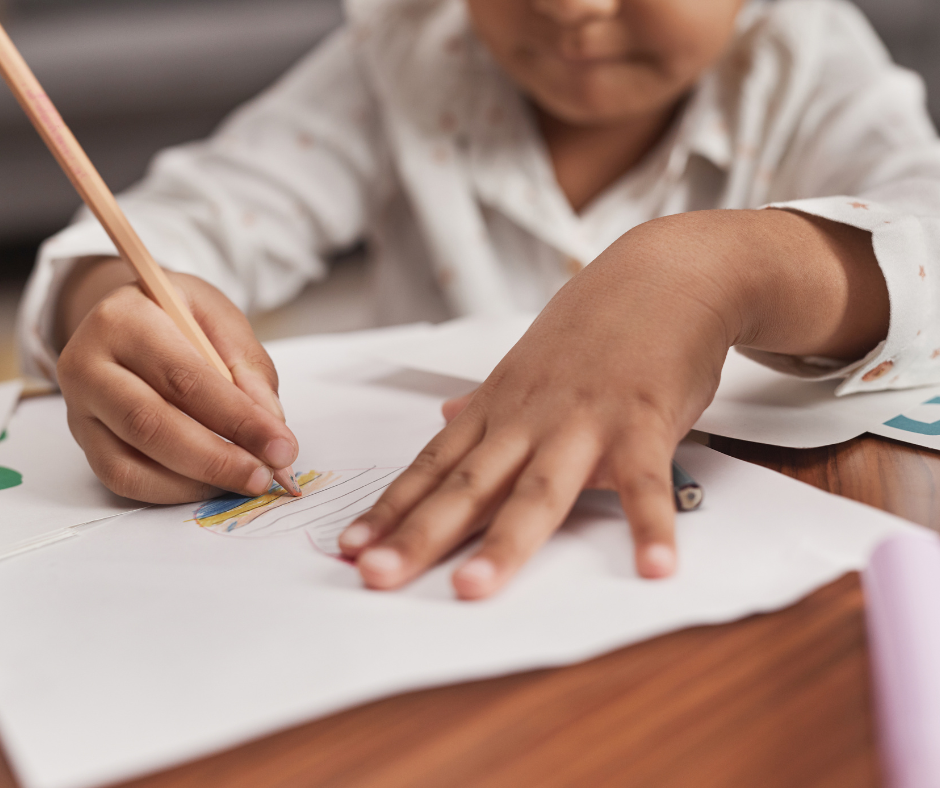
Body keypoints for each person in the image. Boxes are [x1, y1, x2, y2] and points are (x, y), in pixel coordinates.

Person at [16, 0, 940, 599]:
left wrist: (724, 267)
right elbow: (171, 223)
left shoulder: (806, 56)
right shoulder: (403, 55)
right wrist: (113, 302)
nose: (573, 10)